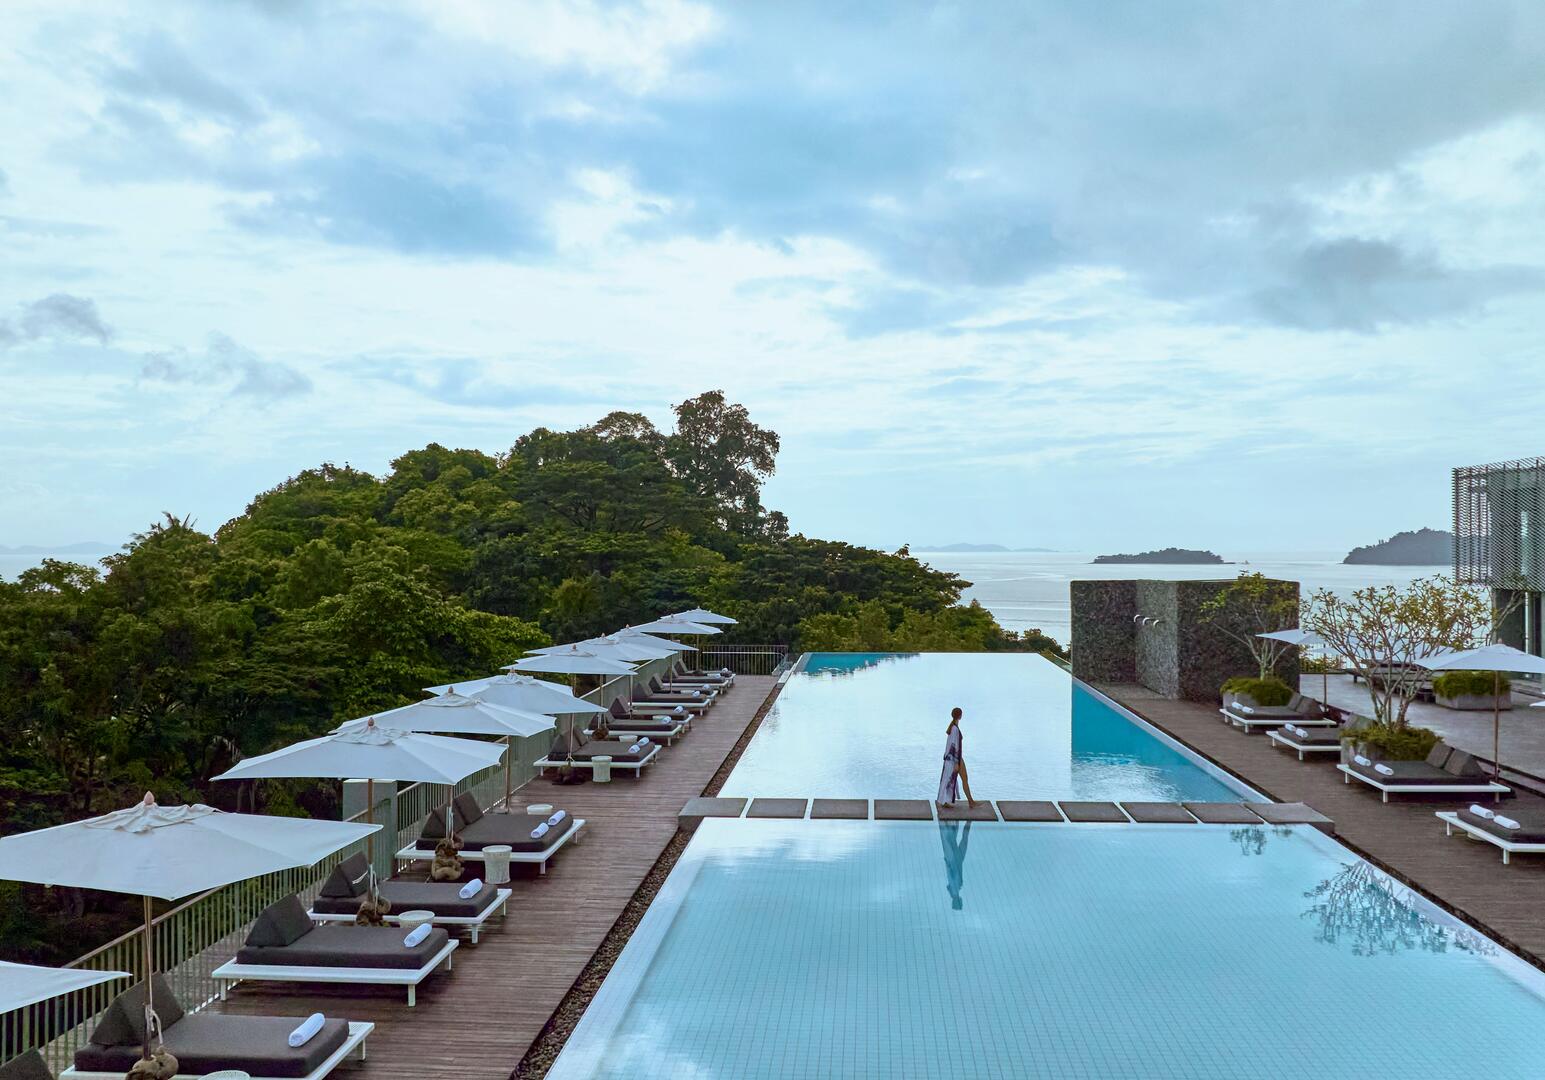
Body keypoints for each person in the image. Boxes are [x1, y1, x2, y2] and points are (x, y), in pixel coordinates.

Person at [936, 706, 979, 808]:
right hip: (955, 759)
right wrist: (956, 762)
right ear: (960, 716)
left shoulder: (953, 727)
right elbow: (953, 745)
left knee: (950, 779)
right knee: (962, 779)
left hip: (954, 758)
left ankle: (949, 802)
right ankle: (971, 802)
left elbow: (950, 745)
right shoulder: (954, 729)